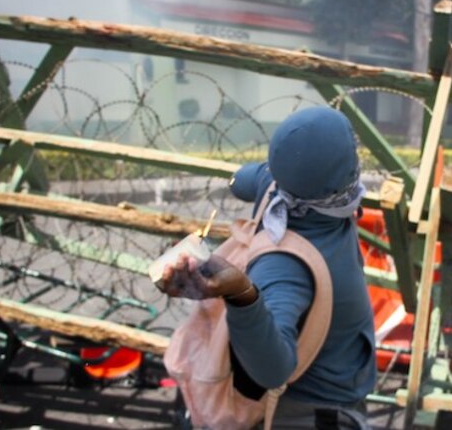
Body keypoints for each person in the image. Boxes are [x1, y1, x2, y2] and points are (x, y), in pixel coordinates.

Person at [158, 106, 375, 429]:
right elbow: (273, 370)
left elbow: (240, 180)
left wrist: (258, 177)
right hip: (313, 415)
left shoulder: (278, 187)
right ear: (342, 178)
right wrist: (242, 294)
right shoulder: (286, 265)